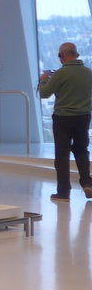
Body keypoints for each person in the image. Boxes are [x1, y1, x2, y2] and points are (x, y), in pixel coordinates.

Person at [37, 42, 92, 203]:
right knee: (82, 150)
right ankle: (87, 183)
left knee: (62, 155)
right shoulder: (88, 73)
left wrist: (44, 80)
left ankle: (63, 191)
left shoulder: (61, 74)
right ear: (77, 54)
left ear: (63, 56)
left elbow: (44, 94)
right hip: (83, 117)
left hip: (63, 118)